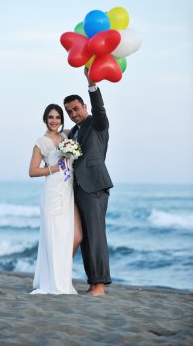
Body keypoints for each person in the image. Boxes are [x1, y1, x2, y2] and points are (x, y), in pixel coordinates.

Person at [63, 67, 113, 296]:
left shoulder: (97, 123)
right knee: (84, 238)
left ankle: (100, 285)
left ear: (84, 107)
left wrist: (91, 83)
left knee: (96, 234)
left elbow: (99, 109)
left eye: (76, 109)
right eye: (69, 111)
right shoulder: (73, 132)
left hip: (94, 186)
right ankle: (92, 283)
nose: (73, 114)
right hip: (77, 189)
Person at [28, 103, 82, 294]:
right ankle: (54, 281)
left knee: (73, 236)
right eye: (51, 117)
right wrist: (54, 168)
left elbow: (80, 126)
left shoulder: (66, 137)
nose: (54, 121)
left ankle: (61, 277)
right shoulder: (41, 142)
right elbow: (32, 171)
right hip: (52, 191)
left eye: (58, 117)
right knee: (54, 236)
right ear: (45, 119)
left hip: (68, 191)